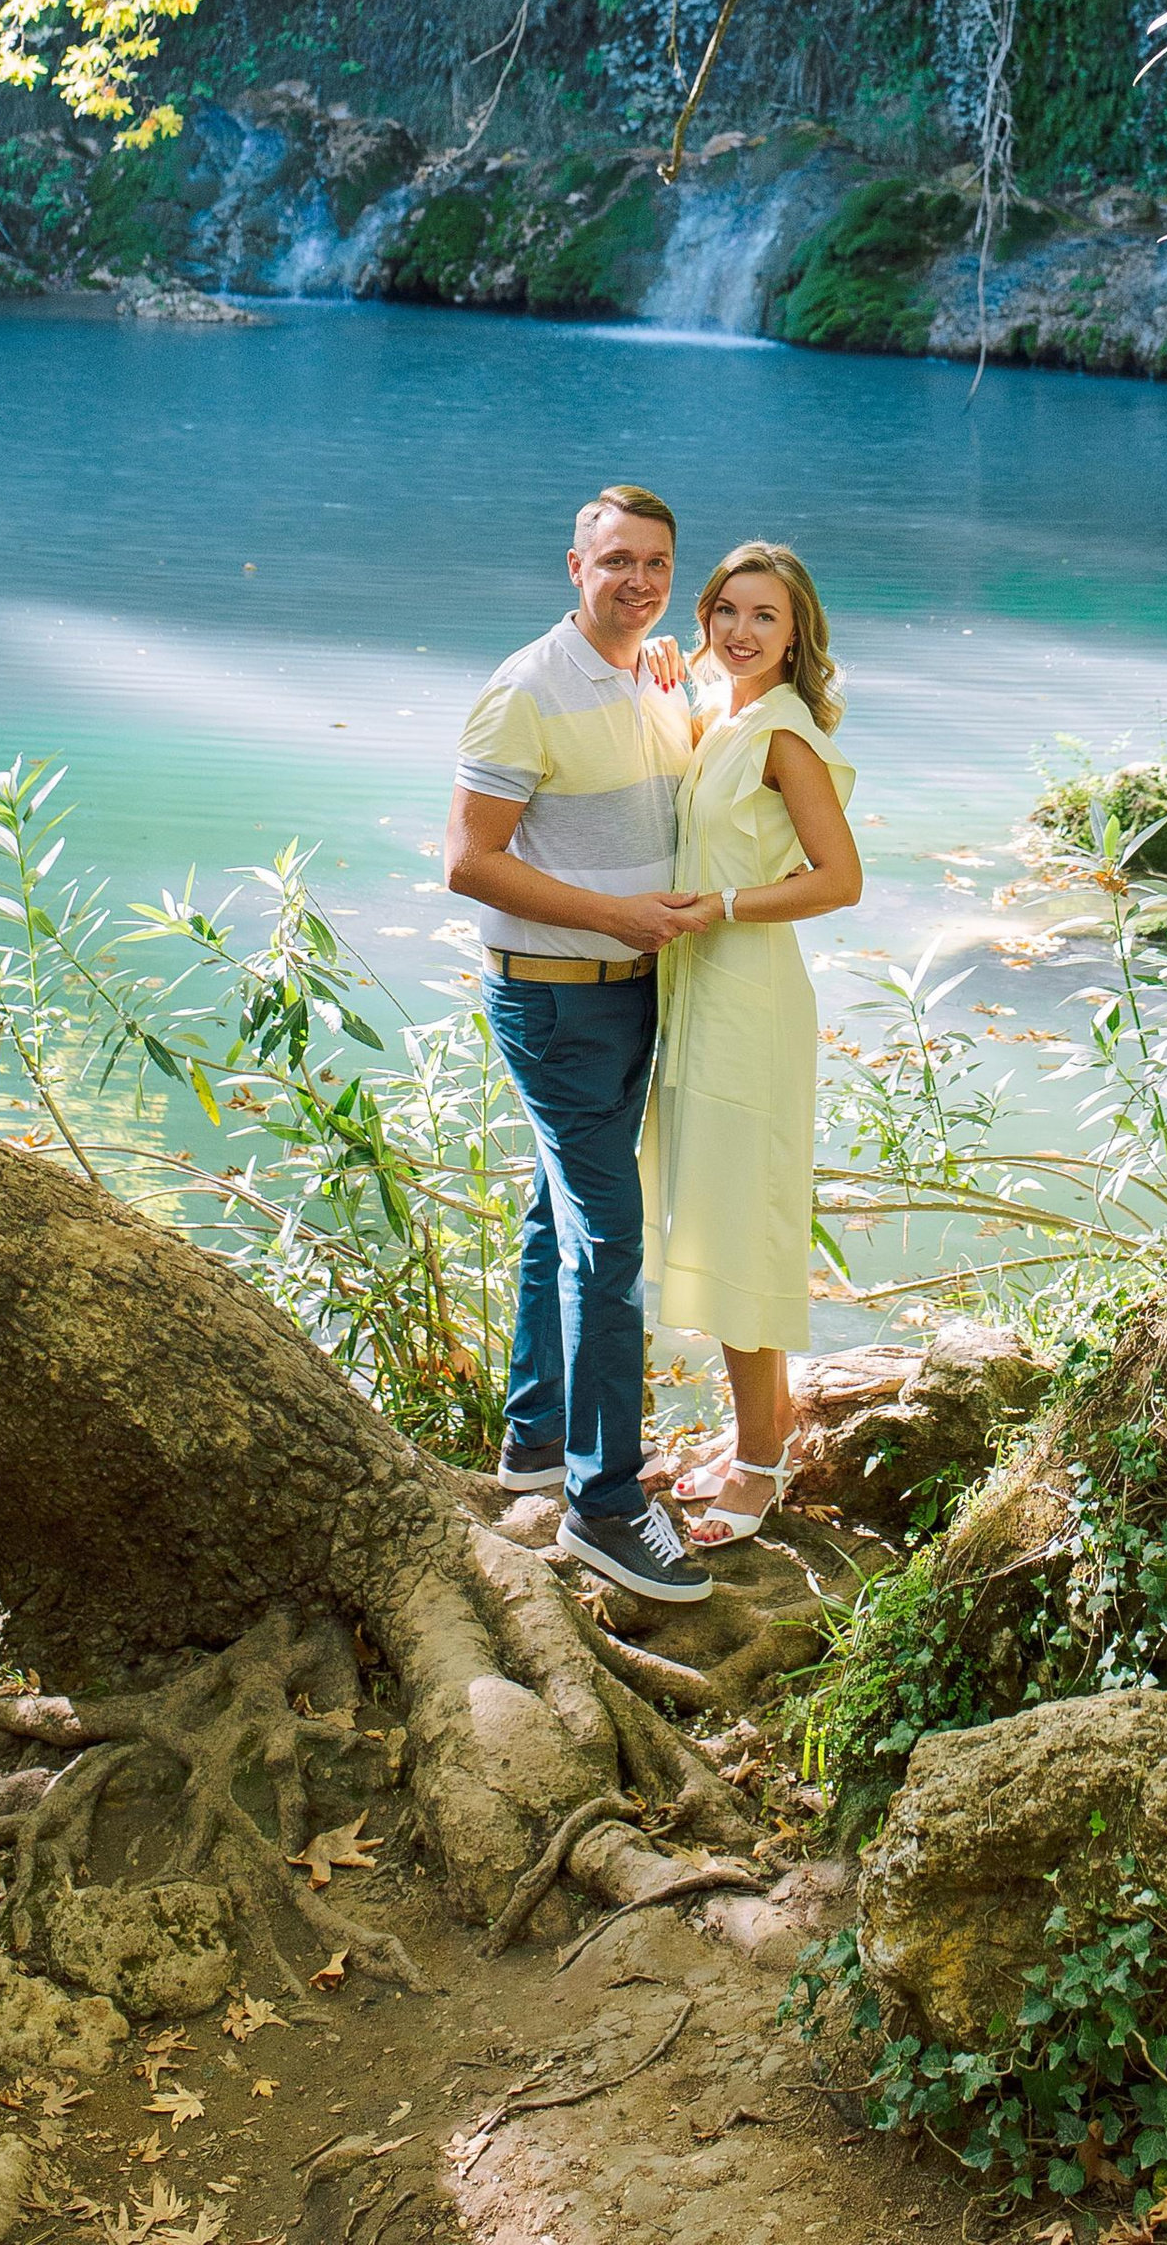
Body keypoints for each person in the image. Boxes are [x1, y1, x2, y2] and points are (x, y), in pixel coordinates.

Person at [444, 484, 717, 1607]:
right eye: (616, 562)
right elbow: (466, 863)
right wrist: (618, 919)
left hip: (633, 992)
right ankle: (604, 1507)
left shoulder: (652, 676)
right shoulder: (523, 691)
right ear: (574, 567)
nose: (637, 582)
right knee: (608, 1238)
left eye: (655, 563)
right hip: (557, 1000)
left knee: (561, 1214)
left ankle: (535, 1445)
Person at [642, 541, 862, 1549]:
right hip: (693, 995)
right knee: (712, 1220)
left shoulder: (781, 734)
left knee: (743, 1227)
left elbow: (838, 879)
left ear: (795, 633)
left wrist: (721, 904)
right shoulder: (714, 709)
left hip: (750, 999)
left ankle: (761, 1460)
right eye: (726, 611)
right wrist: (654, 678)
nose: (739, 632)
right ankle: (752, 1430)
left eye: (763, 617)